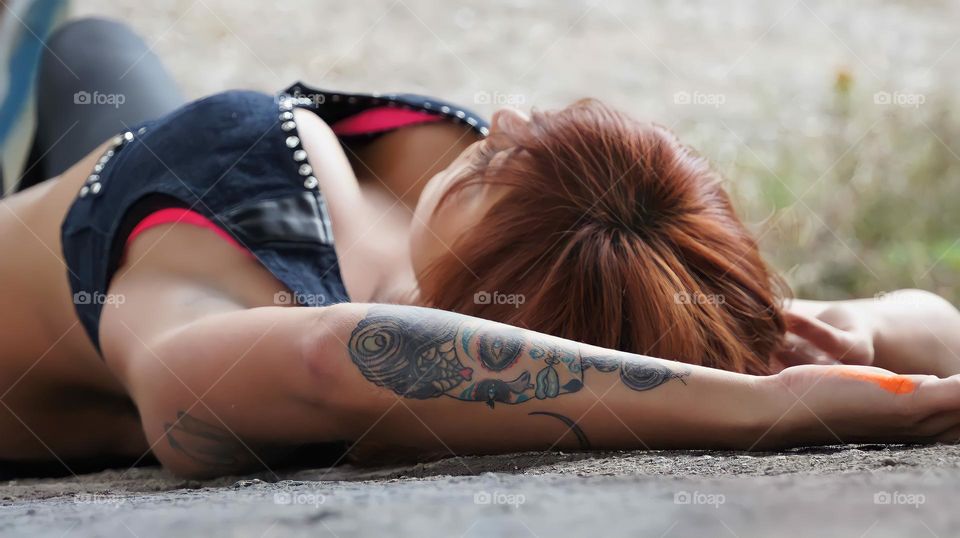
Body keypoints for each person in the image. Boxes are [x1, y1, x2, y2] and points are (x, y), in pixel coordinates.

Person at [2, 18, 960, 479]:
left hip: (106, 242)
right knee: (89, 44)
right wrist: (765, 384)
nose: (496, 117)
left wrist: (796, 373)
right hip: (118, 206)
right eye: (519, 139)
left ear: (502, 294)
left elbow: (938, 331)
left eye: (497, 164)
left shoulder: (235, 278)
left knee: (93, 47)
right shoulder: (241, 212)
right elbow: (938, 333)